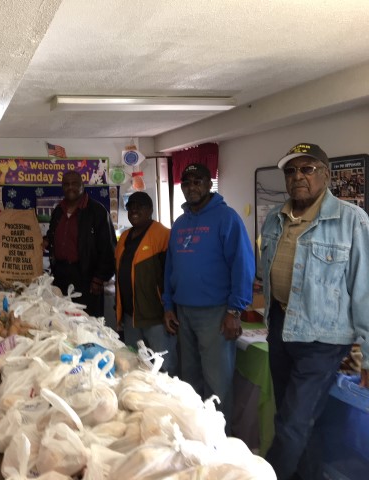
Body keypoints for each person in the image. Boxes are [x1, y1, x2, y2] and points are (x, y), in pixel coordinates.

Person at [259, 143, 369, 480]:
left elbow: (365, 291)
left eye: (307, 169)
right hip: (280, 325)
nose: (298, 177)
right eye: (291, 171)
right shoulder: (275, 220)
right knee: (295, 419)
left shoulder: (352, 221)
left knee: (293, 423)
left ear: (326, 174)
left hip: (323, 335)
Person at [163, 163, 254, 432]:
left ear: (209, 184)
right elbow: (170, 267)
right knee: (189, 379)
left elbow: (243, 266)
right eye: (186, 182)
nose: (192, 187)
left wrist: (234, 311)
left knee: (217, 382)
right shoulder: (179, 223)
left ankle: (220, 442)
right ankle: (194, 434)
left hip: (215, 313)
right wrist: (169, 306)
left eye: (198, 181)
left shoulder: (227, 218)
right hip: (183, 312)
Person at [115, 192, 177, 374]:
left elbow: (172, 276)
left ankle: (169, 402)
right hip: (130, 316)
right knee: (134, 367)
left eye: (140, 206)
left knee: (164, 368)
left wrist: (170, 309)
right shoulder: (124, 238)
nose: (134, 210)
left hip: (156, 317)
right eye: (130, 206)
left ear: (150, 209)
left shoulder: (163, 235)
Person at [44, 170, 116, 317]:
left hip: (87, 278)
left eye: (74, 184)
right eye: (66, 184)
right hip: (60, 275)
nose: (70, 187)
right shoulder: (58, 211)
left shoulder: (97, 212)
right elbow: (52, 234)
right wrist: (46, 240)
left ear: (82, 186)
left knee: (87, 321)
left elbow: (108, 248)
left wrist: (99, 279)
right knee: (62, 318)